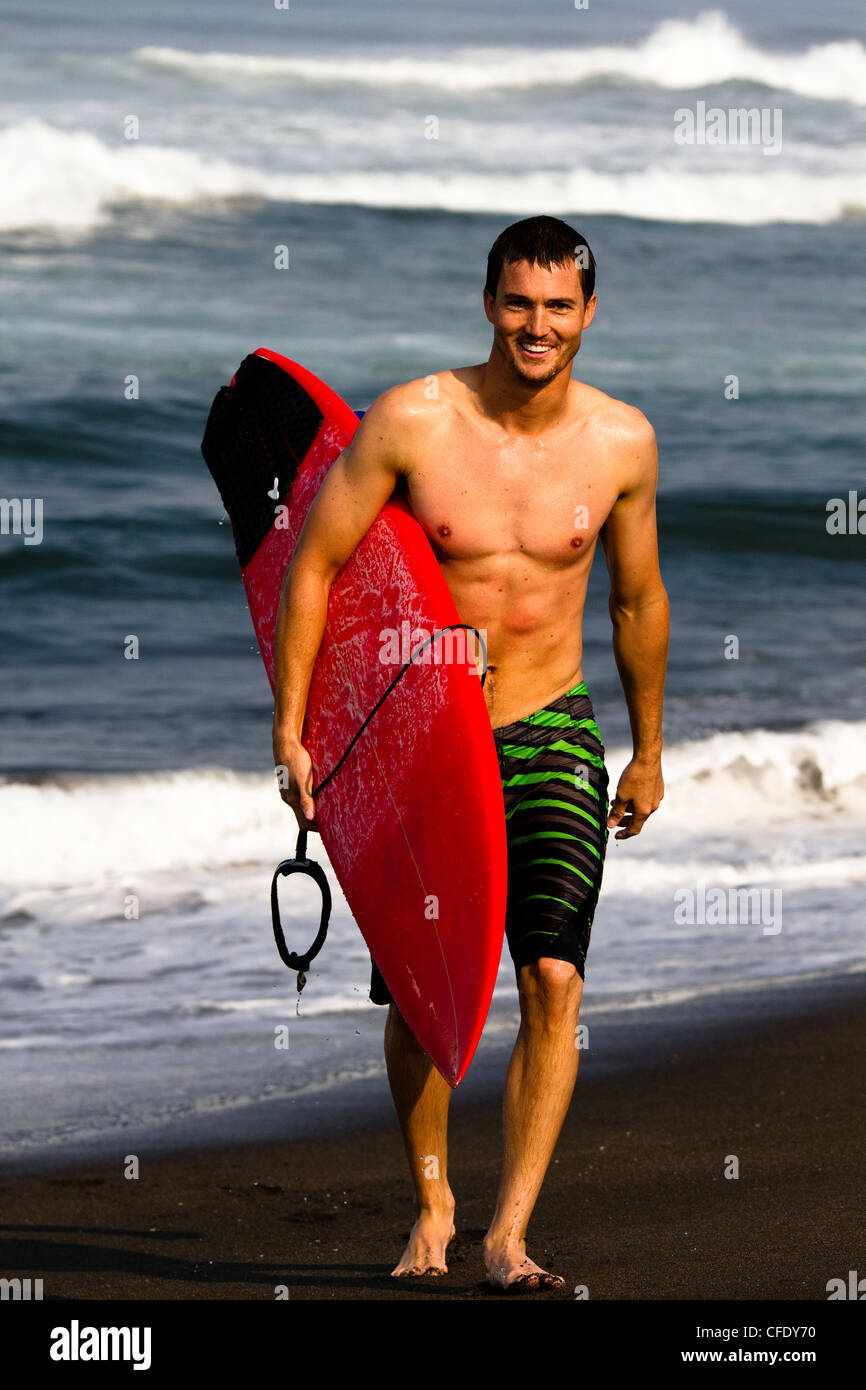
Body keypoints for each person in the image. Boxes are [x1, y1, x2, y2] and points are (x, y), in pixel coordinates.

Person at [271, 215, 669, 1292]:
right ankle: (433, 1201)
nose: (534, 326)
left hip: (550, 726)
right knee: (423, 993)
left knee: (551, 976)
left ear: (587, 313)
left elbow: (635, 597)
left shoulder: (620, 442)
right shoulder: (412, 420)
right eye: (515, 302)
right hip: (429, 745)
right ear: (485, 301)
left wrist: (645, 748)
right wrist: (293, 730)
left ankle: (507, 1233)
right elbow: (311, 566)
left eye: (556, 306)